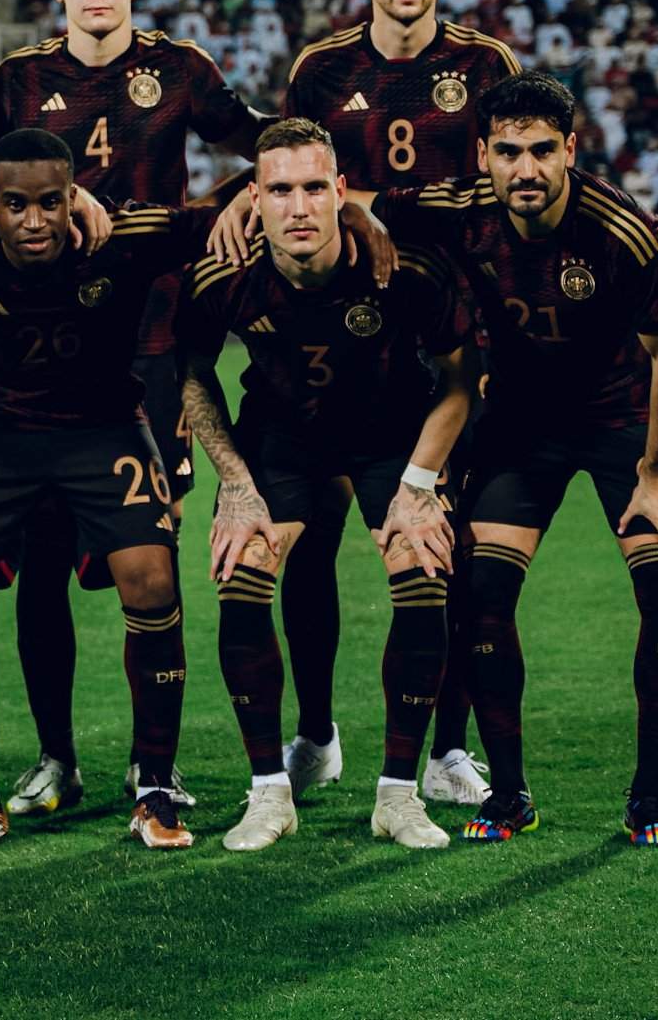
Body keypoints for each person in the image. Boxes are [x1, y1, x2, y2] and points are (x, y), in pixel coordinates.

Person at [0, 0, 268, 818]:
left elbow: (267, 143)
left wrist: (234, 204)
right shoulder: (20, 80)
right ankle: (57, 756)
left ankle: (155, 765)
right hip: (39, 355)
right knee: (45, 560)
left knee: (150, 561)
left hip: (149, 354)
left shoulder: (182, 71)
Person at [365, 72, 658, 848]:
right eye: (509, 151)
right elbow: (367, 200)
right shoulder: (458, 211)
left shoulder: (621, 230)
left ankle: (648, 800)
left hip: (624, 420)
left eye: (543, 151)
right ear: (483, 153)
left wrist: (655, 473)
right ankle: (511, 795)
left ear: (570, 151)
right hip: (520, 420)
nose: (526, 168)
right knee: (481, 591)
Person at [0, 130, 223, 851]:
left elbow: (218, 212)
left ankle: (155, 788)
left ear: (75, 197)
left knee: (152, 576)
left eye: (49, 202)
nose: (33, 220)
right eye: (14, 204)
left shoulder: (120, 240)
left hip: (101, 425)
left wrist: (347, 208)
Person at [251, 0, 516, 806]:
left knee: (444, 543)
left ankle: (444, 750)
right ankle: (316, 732)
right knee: (315, 536)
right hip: (341, 334)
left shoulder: (485, 64)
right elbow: (290, 173)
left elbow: (507, 185)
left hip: (454, 340)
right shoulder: (322, 71)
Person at [179, 118, 475, 852]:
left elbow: (463, 378)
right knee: (242, 566)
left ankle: (399, 795)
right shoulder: (225, 274)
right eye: (280, 189)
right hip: (280, 438)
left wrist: (419, 482)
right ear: (255, 199)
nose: (299, 205)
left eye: (315, 187)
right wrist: (237, 482)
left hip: (388, 434)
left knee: (422, 562)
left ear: (343, 193)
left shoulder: (402, 269)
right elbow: (188, 373)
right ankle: (268, 794)